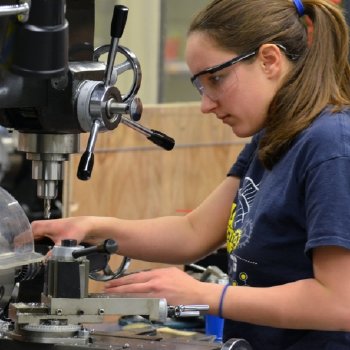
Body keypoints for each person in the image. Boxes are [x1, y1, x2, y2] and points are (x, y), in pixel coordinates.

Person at [31, 0, 350, 348]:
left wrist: (204, 294)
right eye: (201, 86)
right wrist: (93, 228)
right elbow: (193, 232)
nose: (206, 104)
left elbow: (339, 302)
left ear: (269, 60)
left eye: (216, 78)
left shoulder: (330, 146)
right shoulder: (273, 138)